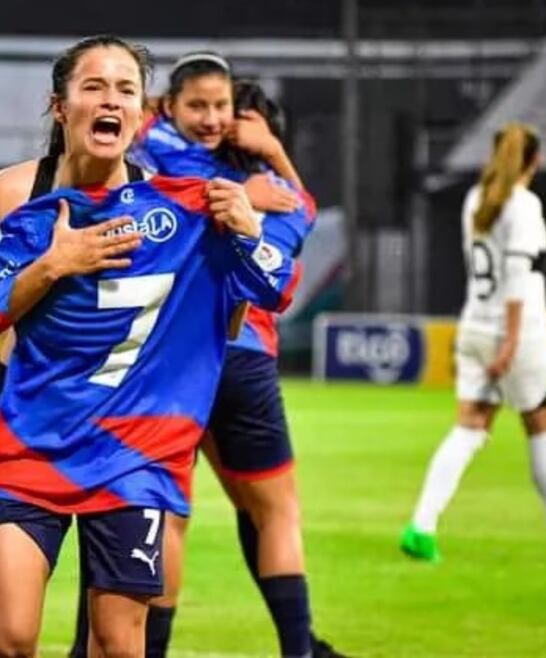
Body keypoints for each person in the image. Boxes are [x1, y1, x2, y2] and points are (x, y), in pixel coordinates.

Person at [0, 35, 300, 658]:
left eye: (125, 90)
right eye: (93, 87)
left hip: (130, 450)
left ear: (141, 114)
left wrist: (245, 233)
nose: (110, 100)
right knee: (8, 642)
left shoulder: (176, 206)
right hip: (28, 434)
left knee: (118, 646)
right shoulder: (14, 192)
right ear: (60, 107)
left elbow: (228, 319)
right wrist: (55, 264)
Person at [72, 52, 346, 658]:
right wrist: (273, 154)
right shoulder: (275, 194)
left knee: (164, 512)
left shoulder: (159, 162)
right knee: (275, 513)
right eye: (202, 105)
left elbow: (112, 129)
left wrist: (153, 110)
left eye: (221, 107)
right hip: (246, 358)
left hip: (170, 360)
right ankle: (300, 649)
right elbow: (304, 210)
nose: (213, 118)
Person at [399, 122, 546, 565]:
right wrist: (514, 340)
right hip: (515, 336)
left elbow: (508, 276)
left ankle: (421, 526)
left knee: (468, 431)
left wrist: (540, 312)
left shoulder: (477, 199)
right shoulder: (525, 204)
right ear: (535, 160)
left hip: (474, 325)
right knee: (545, 433)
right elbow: (516, 275)